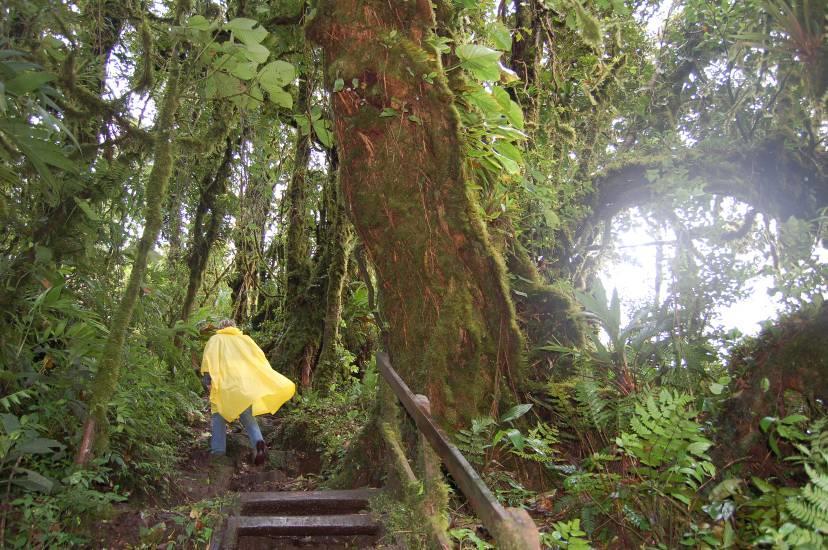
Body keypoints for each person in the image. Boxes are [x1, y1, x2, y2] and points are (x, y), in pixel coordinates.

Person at [201, 319, 295, 465]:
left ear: (220, 328)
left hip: (224, 386)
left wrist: (207, 380)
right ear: (234, 327)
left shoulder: (215, 340)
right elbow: (259, 360)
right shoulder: (245, 340)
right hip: (243, 387)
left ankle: (218, 453)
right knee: (247, 417)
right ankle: (259, 443)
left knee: (218, 417)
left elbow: (209, 362)